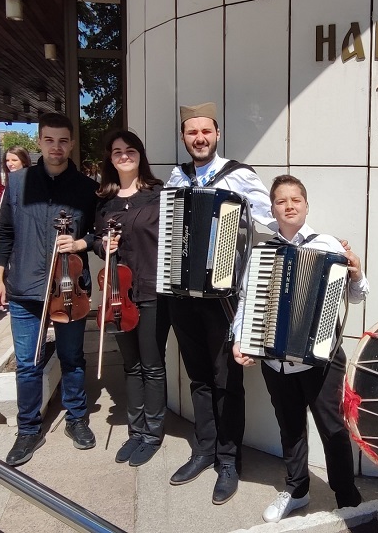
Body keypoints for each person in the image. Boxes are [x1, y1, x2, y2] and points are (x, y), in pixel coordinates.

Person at [232, 174, 367, 523]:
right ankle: (297, 489)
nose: (289, 206)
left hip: (321, 359)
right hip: (276, 361)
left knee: (332, 428)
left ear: (306, 206)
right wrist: (241, 340)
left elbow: (354, 297)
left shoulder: (329, 246)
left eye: (296, 200)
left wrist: (358, 274)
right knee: (289, 426)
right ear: (273, 208)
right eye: (281, 201)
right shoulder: (261, 252)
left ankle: (347, 496)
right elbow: (247, 303)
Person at [162, 101, 276, 505]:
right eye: (191, 132)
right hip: (182, 295)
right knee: (198, 378)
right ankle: (204, 449)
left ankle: (229, 460)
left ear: (217, 134)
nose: (199, 138)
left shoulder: (240, 176)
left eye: (205, 131)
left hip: (225, 298)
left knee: (227, 381)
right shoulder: (175, 177)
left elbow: (272, 222)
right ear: (183, 137)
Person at [0, 113, 99, 467]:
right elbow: (4, 232)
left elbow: (98, 236)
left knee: (72, 359)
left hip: (68, 288)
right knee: (27, 363)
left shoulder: (85, 187)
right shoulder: (18, 182)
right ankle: (28, 429)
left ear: (71, 143)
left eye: (63, 141)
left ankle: (77, 419)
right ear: (39, 142)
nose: (56, 147)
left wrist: (80, 242)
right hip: (24, 288)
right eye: (49, 140)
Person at [93, 130, 167, 467]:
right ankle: (135, 431)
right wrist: (100, 245)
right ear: (110, 158)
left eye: (130, 150)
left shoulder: (157, 193)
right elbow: (95, 240)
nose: (124, 155)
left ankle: (153, 434)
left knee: (151, 365)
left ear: (140, 154)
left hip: (151, 290)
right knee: (130, 365)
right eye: (117, 151)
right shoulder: (104, 200)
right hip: (117, 293)